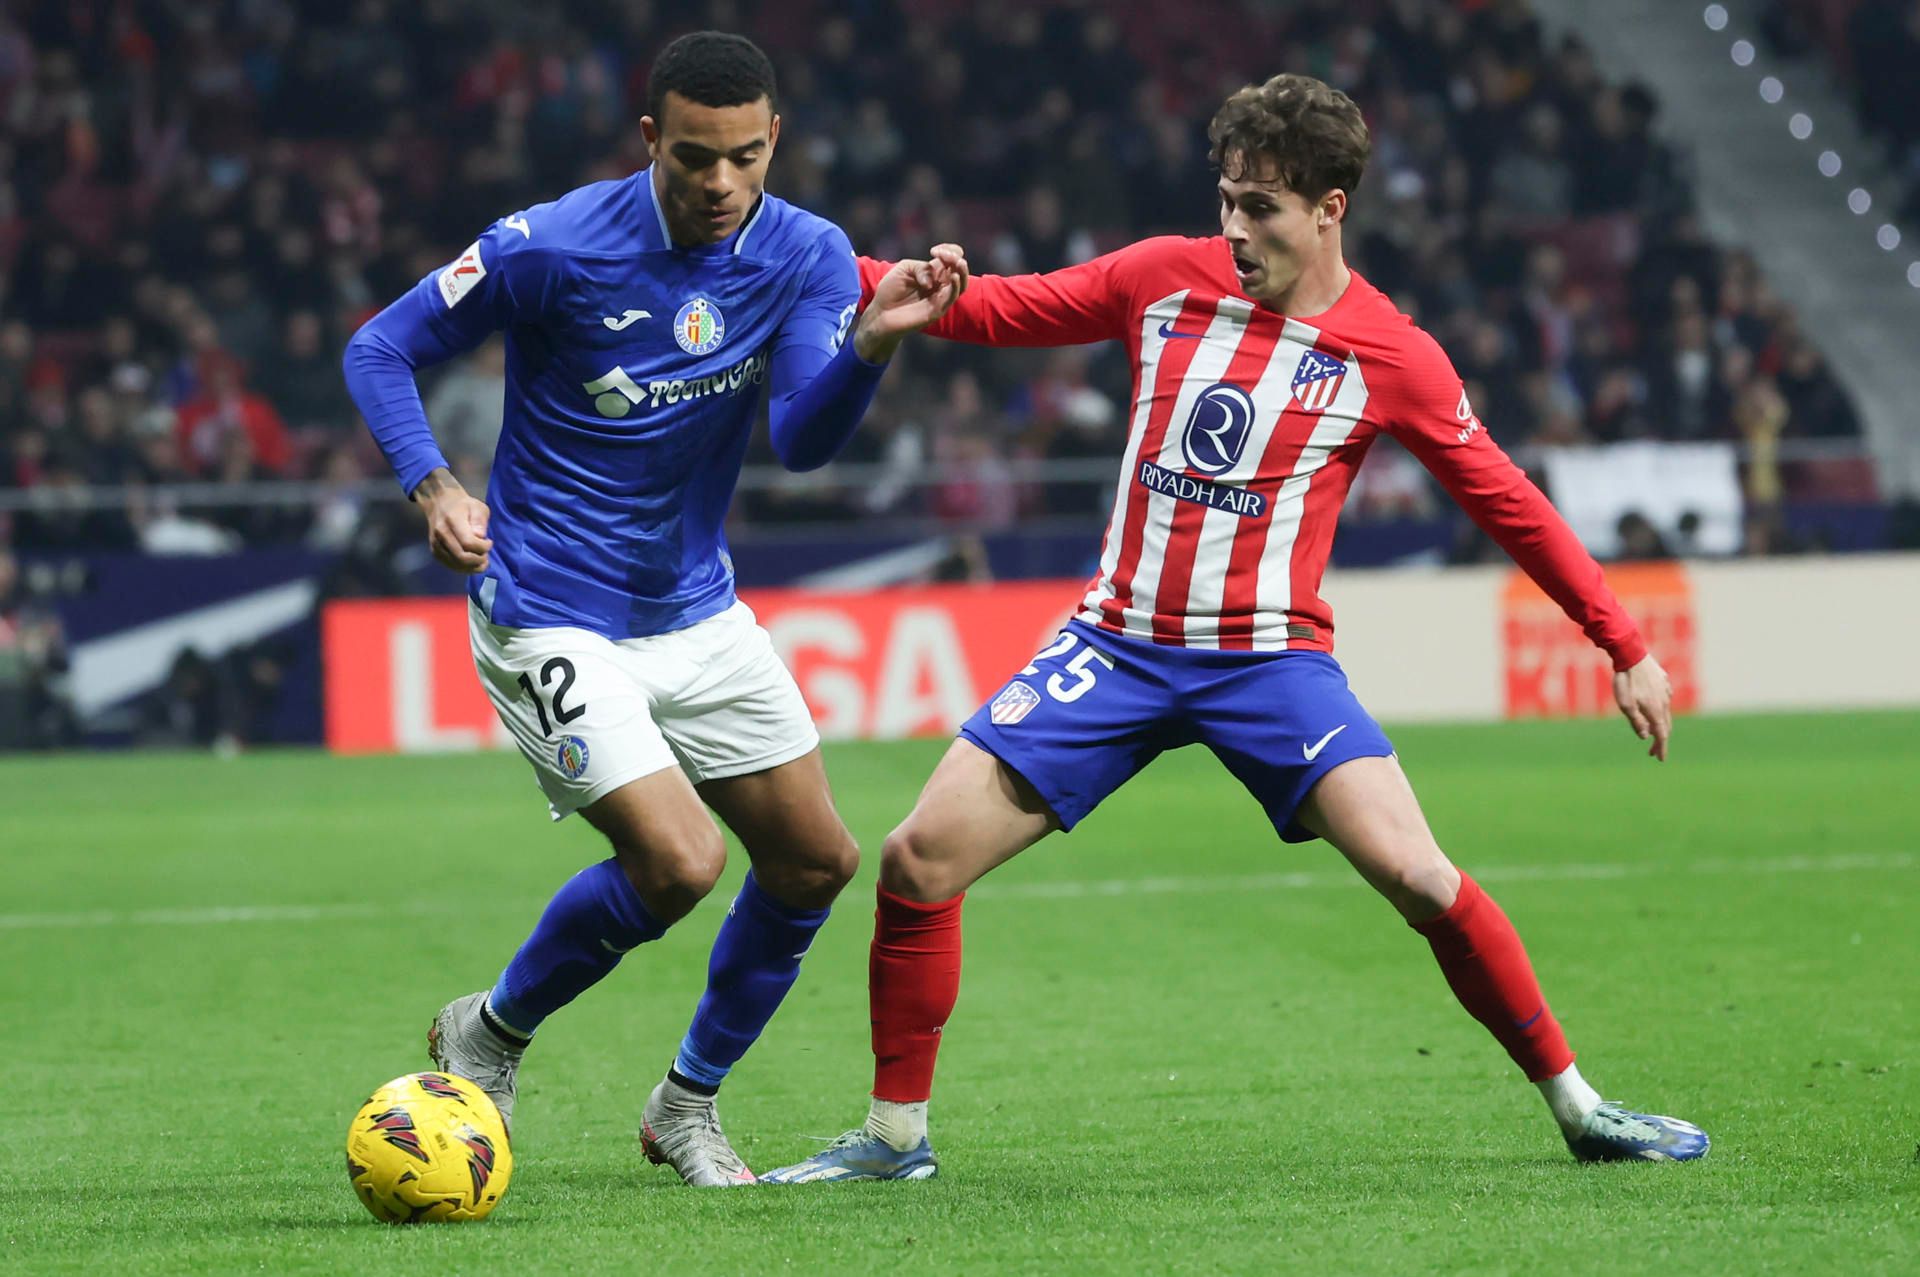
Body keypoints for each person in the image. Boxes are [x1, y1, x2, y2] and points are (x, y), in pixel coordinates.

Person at [764, 74, 1707, 1184]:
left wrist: (1624, 642)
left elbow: (1508, 500)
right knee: (917, 858)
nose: (1235, 228)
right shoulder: (1164, 279)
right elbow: (1003, 307)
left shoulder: (1393, 356)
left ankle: (1582, 1107)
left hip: (1270, 660)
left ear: (1331, 208)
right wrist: (849, 272)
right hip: (1114, 646)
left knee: (1420, 876)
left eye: (1262, 208)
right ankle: (892, 1140)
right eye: (1228, 199)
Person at [341, 31, 965, 1187]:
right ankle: (493, 1027)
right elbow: (381, 346)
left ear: (773, 138)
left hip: (695, 606)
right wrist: (433, 483)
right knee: (679, 863)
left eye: (742, 156)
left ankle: (684, 1105)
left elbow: (805, 441)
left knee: (815, 861)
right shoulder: (550, 244)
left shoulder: (808, 253)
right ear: (649, 143)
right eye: (692, 159)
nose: (720, 184)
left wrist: (872, 346)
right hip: (549, 604)